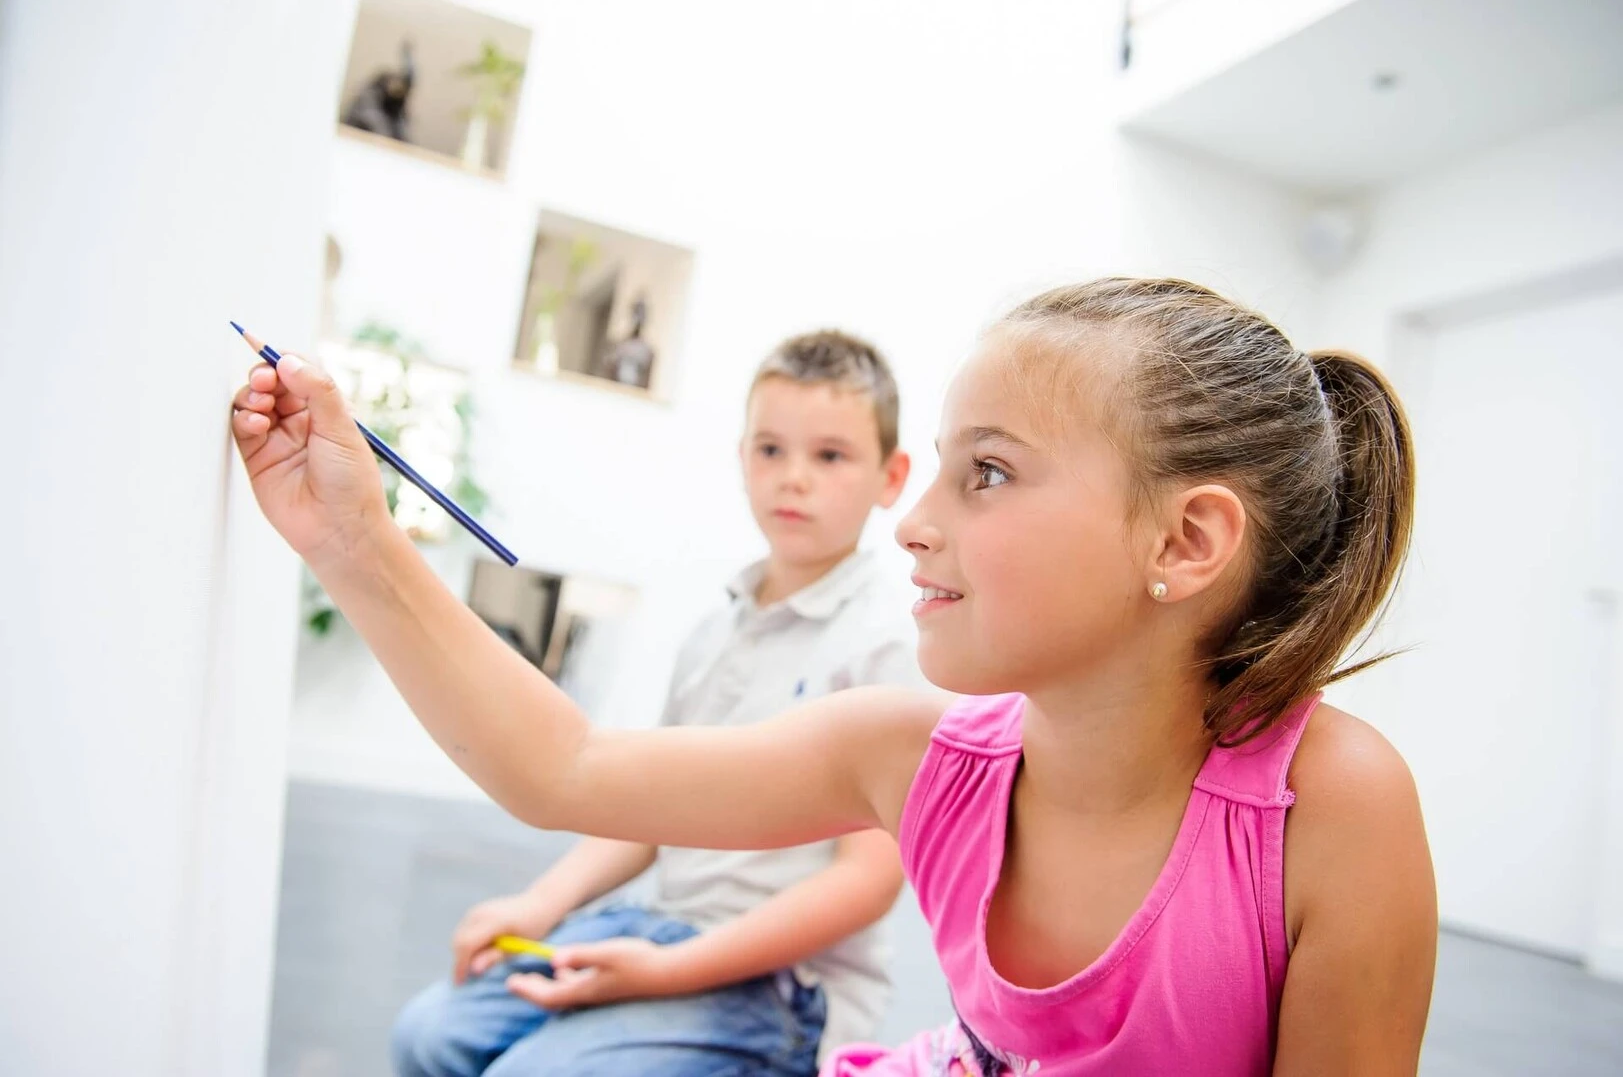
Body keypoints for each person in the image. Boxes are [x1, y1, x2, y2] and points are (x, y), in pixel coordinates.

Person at [231, 277, 1438, 1075]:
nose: (911, 524)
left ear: (1182, 543)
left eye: (990, 475)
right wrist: (353, 536)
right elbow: (569, 769)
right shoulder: (923, 754)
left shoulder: (1333, 807)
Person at [388, 330, 919, 1075]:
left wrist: (665, 973)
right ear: (741, 458)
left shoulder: (887, 645)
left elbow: (864, 881)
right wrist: (539, 904)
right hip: (658, 924)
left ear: (889, 477)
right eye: (770, 449)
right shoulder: (713, 632)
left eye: (829, 456)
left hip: (782, 984)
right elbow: (645, 809)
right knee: (428, 1035)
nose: (793, 477)